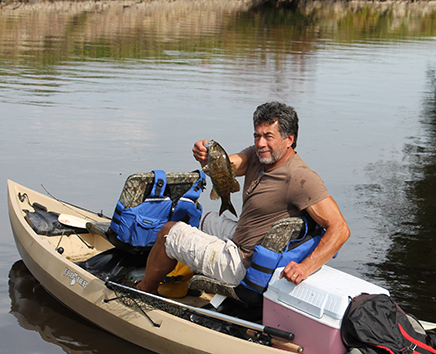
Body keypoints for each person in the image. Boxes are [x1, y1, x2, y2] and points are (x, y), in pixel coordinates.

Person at [136, 101, 350, 295]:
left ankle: (145, 290)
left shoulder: (301, 177)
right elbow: (225, 166)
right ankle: (181, 276)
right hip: (242, 238)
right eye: (257, 135)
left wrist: (305, 267)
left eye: (269, 136)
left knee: (167, 232)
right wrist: (207, 157)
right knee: (198, 217)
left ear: (289, 140)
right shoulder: (259, 157)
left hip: (241, 263)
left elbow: (340, 229)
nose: (261, 143)